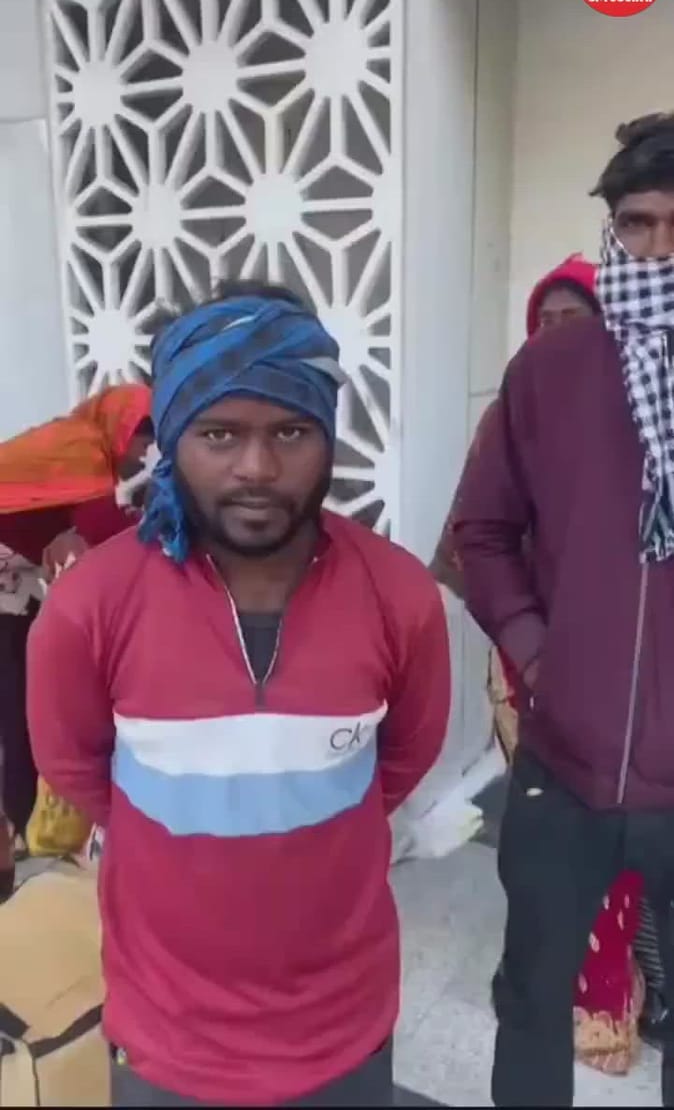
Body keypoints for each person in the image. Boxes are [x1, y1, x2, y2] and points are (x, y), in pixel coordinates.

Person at [26, 280, 451, 1109]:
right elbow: (78, 769)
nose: (257, 468)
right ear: (173, 435)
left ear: (328, 433)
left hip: (344, 1027)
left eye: (290, 431)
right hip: (167, 1037)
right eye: (220, 433)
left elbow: (402, 759)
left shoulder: (399, 597)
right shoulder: (89, 609)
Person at [452, 111, 674, 1107]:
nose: (657, 251)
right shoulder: (550, 371)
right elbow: (483, 529)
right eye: (638, 224)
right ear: (611, 231)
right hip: (563, 769)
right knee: (532, 999)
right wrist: (538, 651)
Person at [433, 255, 647, 1075]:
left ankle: (605, 998)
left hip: (633, 679)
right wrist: (528, 639)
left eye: (574, 320)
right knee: (548, 846)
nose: (557, 336)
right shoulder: (515, 411)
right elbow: (472, 532)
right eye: (545, 323)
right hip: (532, 670)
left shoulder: (643, 407)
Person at [0, 384, 153, 887]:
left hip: (15, 586)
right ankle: (25, 829)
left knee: (22, 700)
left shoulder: (73, 442)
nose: (143, 454)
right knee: (21, 707)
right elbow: (105, 532)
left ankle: (22, 827)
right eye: (142, 439)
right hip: (7, 589)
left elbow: (77, 529)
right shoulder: (84, 451)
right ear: (121, 429)